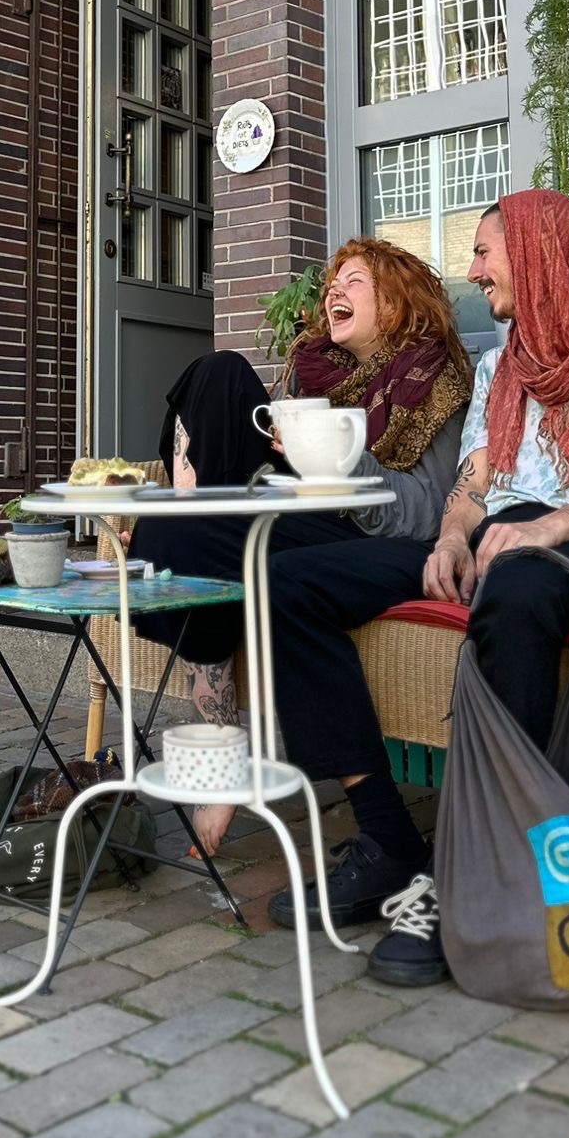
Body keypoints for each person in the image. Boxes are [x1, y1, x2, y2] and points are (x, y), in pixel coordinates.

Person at [265, 189, 569, 974]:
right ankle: (388, 838)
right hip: (490, 538)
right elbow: (473, 483)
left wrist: (550, 527)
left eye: (483, 253)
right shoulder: (499, 367)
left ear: (539, 254)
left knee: (515, 595)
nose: (473, 272)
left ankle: (475, 874)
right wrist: (450, 538)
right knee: (287, 582)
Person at [127, 238, 473, 854]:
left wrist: (335, 459)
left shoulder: (434, 379)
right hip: (302, 511)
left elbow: (428, 512)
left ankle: (184, 540)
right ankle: (223, 734)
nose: (334, 289)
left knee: (173, 539)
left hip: (371, 532)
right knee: (219, 372)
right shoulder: (313, 368)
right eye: (334, 280)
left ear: (397, 301)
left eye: (355, 281)